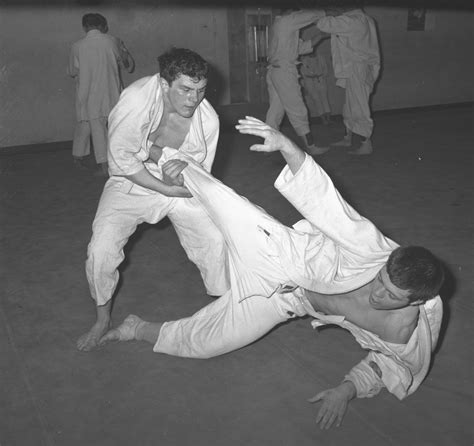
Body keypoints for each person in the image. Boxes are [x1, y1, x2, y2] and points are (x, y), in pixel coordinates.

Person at [99, 117, 445, 430]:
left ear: (417, 301)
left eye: (391, 296)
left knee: (207, 343)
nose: (377, 294)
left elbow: (391, 368)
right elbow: (329, 203)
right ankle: (153, 150)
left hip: (288, 301)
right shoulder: (375, 250)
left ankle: (136, 328)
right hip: (288, 258)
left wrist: (346, 390)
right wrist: (287, 147)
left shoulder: (405, 336)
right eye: (381, 281)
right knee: (227, 203)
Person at [76, 48, 229, 351]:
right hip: (131, 181)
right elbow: (121, 158)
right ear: (163, 83)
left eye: (200, 90)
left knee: (214, 241)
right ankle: (102, 319)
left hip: (176, 186)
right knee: (100, 251)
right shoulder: (136, 100)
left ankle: (226, 310)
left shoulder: (208, 120)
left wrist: (178, 179)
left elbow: (201, 177)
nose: (193, 99)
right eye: (185, 89)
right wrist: (162, 181)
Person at [68, 13, 134, 176]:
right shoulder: (114, 41)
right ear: (103, 26)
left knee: (95, 128)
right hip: (112, 92)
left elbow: (71, 71)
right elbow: (128, 66)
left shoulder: (77, 46)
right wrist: (123, 50)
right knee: (104, 127)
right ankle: (79, 156)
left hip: (89, 94)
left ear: (85, 27)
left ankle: (105, 167)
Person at [316, 3, 380, 155]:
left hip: (359, 67)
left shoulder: (353, 21)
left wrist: (320, 11)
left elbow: (323, 24)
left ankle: (366, 143)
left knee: (359, 106)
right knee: (349, 106)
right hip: (357, 67)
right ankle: (348, 137)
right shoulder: (365, 19)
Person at [265, 8, 329, 155]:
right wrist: (330, 13)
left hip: (276, 71)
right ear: (291, 11)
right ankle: (311, 146)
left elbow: (301, 48)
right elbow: (313, 14)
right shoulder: (288, 21)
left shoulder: (282, 26)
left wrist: (322, 36)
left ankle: (268, 143)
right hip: (284, 73)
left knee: (275, 110)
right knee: (297, 108)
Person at [300, 47, 332, 125]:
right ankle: (323, 119)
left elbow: (325, 69)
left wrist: (321, 76)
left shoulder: (321, 57)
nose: (312, 53)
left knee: (324, 98)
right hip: (309, 81)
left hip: (320, 79)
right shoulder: (304, 60)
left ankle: (328, 118)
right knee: (316, 99)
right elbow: (303, 72)